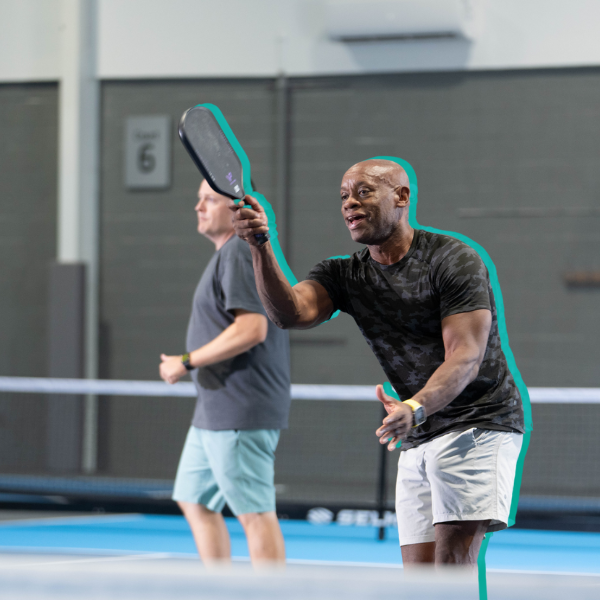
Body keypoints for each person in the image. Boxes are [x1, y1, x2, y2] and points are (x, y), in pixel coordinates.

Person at [229, 159, 525, 568]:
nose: (350, 203)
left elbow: (467, 356)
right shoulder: (344, 275)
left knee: (451, 564)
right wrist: (259, 244)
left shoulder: (452, 259)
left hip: (477, 423)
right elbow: (289, 314)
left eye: (364, 191)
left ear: (401, 197)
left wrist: (415, 406)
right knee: (418, 577)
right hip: (419, 432)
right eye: (344, 196)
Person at [159, 179, 291, 566]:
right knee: (194, 498)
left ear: (236, 212)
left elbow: (253, 329)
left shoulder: (238, 252)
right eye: (198, 198)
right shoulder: (226, 256)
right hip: (213, 412)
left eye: (209, 200)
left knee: (254, 514)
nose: (198, 207)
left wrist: (186, 361)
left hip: (239, 411)